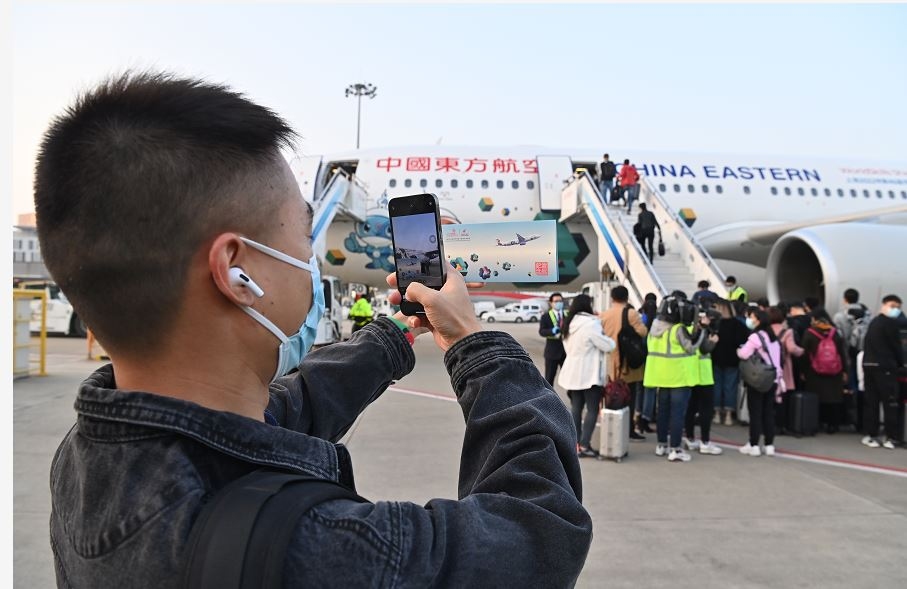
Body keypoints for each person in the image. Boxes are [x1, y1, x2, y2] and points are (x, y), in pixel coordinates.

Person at [41, 72, 592, 587]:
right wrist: (476, 344)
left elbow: (291, 407)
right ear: (236, 271)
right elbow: (539, 531)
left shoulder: (87, 457)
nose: (310, 257)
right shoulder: (321, 547)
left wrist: (396, 334)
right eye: (304, 235)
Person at [643, 292, 707, 463]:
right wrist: (701, 333)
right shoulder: (677, 329)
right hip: (678, 377)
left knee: (663, 412)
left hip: (661, 376)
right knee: (677, 414)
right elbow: (691, 348)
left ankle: (661, 445)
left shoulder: (654, 328)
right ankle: (676, 448)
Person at [558, 294, 616, 457]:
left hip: (573, 372)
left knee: (576, 409)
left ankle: (575, 444)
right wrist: (610, 340)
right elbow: (607, 345)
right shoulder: (591, 324)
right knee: (592, 409)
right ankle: (584, 445)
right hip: (590, 373)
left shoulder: (569, 324)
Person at [601, 285, 648, 440]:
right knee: (629, 396)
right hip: (627, 362)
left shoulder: (604, 315)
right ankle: (628, 429)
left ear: (612, 298)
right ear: (626, 298)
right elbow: (643, 332)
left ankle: (612, 427)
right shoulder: (631, 313)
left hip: (610, 361)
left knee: (612, 394)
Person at [736, 309, 784, 456]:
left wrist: (739, 350)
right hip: (773, 378)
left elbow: (744, 354)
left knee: (755, 412)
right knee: (768, 412)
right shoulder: (774, 338)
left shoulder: (755, 337)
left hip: (758, 379)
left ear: (758, 320)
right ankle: (769, 445)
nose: (749, 320)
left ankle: (754, 444)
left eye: (751, 317)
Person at [860, 295, 905, 449]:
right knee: (890, 402)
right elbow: (896, 346)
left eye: (898, 307)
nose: (895, 310)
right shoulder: (891, 324)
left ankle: (870, 435)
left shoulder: (873, 322)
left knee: (871, 402)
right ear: (884, 305)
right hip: (885, 367)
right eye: (893, 306)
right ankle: (891, 437)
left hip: (869, 365)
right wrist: (901, 363)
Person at [801, 307, 849, 434]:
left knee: (816, 398)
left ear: (814, 319)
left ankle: (817, 423)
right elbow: (842, 353)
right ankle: (833, 425)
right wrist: (845, 370)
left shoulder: (809, 333)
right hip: (835, 371)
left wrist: (803, 371)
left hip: (814, 371)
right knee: (833, 399)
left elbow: (804, 354)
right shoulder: (835, 333)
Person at [833, 288, 871, 427]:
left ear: (845, 299)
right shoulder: (867, 315)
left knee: (849, 385)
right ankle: (863, 418)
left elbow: (839, 338)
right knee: (863, 385)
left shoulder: (839, 316)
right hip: (863, 354)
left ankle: (849, 417)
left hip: (847, 354)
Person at [683, 322, 722, 455]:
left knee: (691, 407)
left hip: (690, 373)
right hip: (704, 374)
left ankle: (690, 438)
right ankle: (705, 442)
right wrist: (712, 342)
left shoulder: (684, 329)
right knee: (706, 409)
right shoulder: (701, 331)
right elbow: (704, 348)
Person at [710, 298, 750, 425]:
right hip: (733, 360)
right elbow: (743, 342)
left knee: (717, 386)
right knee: (730, 387)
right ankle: (728, 415)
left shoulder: (715, 324)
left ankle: (716, 414)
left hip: (716, 359)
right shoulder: (739, 325)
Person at [768, 306, 805, 434]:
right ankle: (780, 425)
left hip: (766, 369)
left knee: (768, 398)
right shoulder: (787, 332)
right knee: (782, 398)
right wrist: (803, 351)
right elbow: (792, 349)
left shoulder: (764, 331)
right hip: (783, 369)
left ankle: (768, 424)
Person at [637, 292, 659, 432]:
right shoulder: (658, 321)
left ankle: (638, 414)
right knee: (650, 391)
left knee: (640, 389)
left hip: (639, 358)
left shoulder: (640, 317)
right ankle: (647, 416)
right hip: (653, 360)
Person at [538, 292, 568, 387]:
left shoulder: (567, 315)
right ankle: (550, 396)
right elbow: (542, 331)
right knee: (549, 380)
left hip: (566, 352)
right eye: (556, 301)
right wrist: (551, 331)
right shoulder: (545, 316)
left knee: (569, 380)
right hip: (551, 353)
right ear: (551, 303)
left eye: (560, 301)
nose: (559, 303)